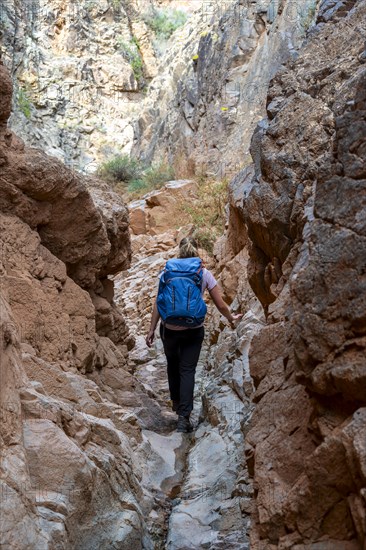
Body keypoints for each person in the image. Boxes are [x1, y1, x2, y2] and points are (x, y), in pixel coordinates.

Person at [146, 236, 243, 433]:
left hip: (169, 329)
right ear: (196, 251)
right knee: (187, 370)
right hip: (193, 329)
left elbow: (158, 302)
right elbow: (220, 303)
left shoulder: (166, 271)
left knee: (173, 366)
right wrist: (231, 317)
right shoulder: (203, 273)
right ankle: (184, 418)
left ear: (179, 251)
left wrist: (151, 330)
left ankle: (176, 403)